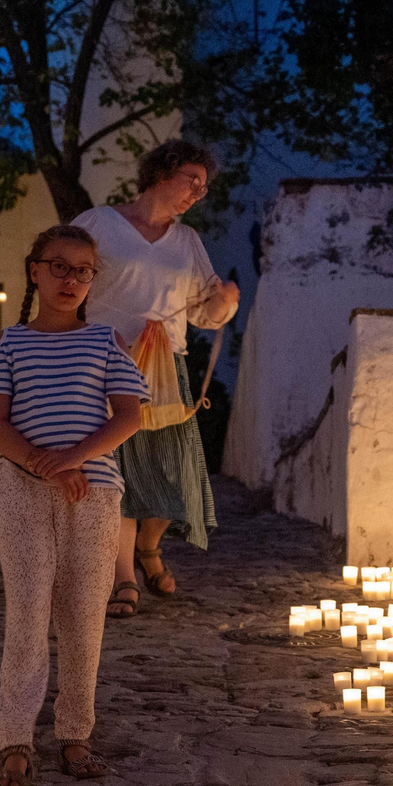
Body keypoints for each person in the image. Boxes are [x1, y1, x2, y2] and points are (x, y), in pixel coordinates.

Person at [0, 225, 149, 786]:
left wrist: (71, 461)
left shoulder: (105, 344)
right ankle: (15, 742)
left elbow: (128, 416)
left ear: (93, 279)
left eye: (82, 270)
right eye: (59, 266)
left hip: (93, 496)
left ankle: (75, 734)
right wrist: (46, 468)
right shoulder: (8, 345)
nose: (70, 279)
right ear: (35, 270)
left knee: (82, 616)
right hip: (23, 495)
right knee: (27, 611)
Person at [71, 140, 240, 618]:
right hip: (109, 360)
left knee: (170, 472)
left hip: (168, 366)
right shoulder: (99, 223)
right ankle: (123, 576)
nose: (198, 193)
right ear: (163, 171)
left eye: (204, 187)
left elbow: (205, 314)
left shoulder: (186, 241)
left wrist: (225, 302)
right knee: (118, 471)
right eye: (193, 179)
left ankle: (148, 547)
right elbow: (66, 277)